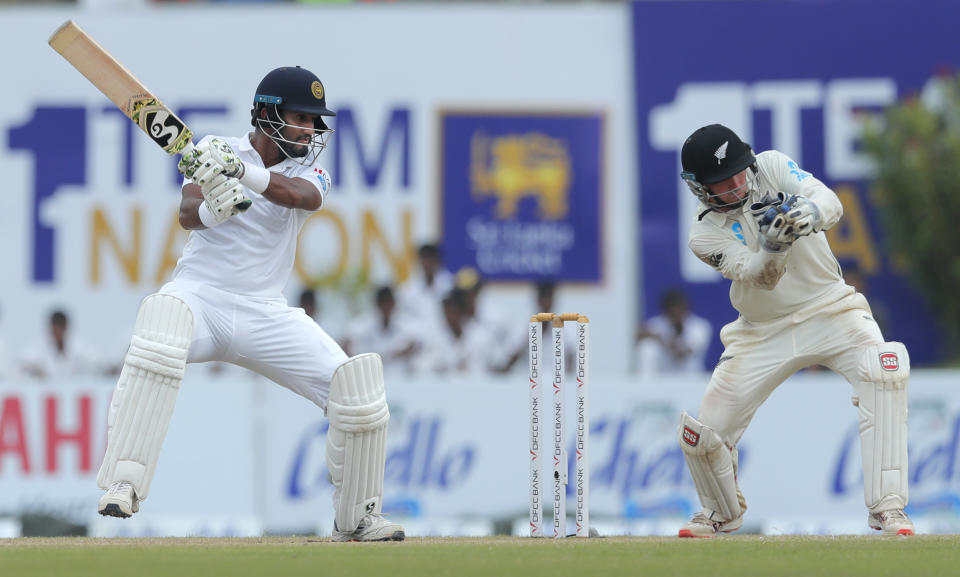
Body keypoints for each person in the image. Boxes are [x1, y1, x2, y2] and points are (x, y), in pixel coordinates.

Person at [95, 66, 403, 542]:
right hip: (201, 296)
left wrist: (243, 175)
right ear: (266, 112)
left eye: (314, 121)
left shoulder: (307, 170)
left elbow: (302, 198)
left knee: (356, 388)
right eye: (301, 117)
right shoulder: (216, 149)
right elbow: (186, 215)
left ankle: (358, 517)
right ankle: (123, 482)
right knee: (162, 322)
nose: (310, 130)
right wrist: (211, 208)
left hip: (265, 310)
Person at [674, 124, 912, 537]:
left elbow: (828, 200)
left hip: (832, 308)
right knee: (703, 433)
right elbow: (759, 277)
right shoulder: (703, 234)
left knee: (884, 368)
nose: (735, 185)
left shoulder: (770, 165)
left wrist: (809, 213)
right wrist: (775, 245)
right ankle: (720, 513)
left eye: (737, 172)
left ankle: (888, 509)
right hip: (761, 332)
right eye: (722, 182)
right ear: (700, 189)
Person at [635, 288, 712, 378]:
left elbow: (682, 353)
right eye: (672, 310)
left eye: (679, 309)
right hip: (662, 377)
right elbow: (638, 338)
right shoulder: (657, 323)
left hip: (690, 378)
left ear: (685, 308)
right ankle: (646, 385)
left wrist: (659, 337)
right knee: (647, 346)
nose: (676, 313)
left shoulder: (699, 327)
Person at [19, 309, 108, 381]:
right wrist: (34, 370)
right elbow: (23, 363)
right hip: (48, 395)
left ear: (65, 327)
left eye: (60, 329)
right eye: (55, 329)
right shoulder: (39, 347)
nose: (57, 333)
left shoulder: (78, 347)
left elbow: (98, 361)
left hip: (73, 392)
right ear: (50, 328)